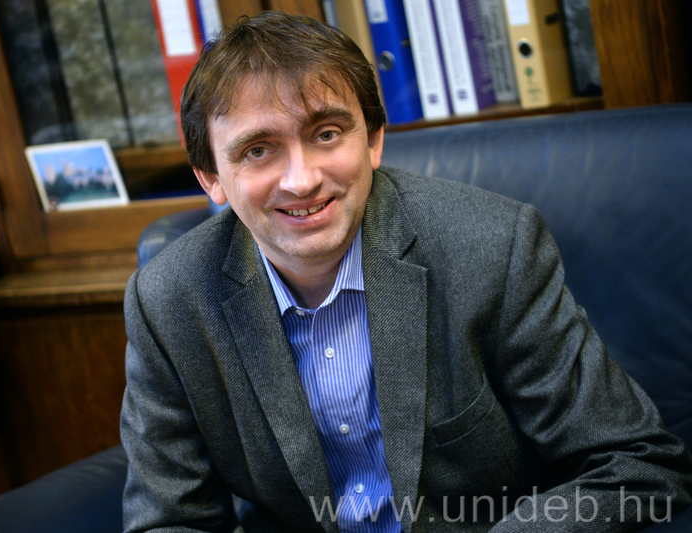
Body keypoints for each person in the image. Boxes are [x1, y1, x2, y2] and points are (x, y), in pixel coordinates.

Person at [120, 11, 692, 532]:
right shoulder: (169, 301)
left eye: (326, 134)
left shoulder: (492, 248)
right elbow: (169, 521)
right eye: (257, 150)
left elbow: (638, 463)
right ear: (211, 178)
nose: (302, 180)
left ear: (373, 140)